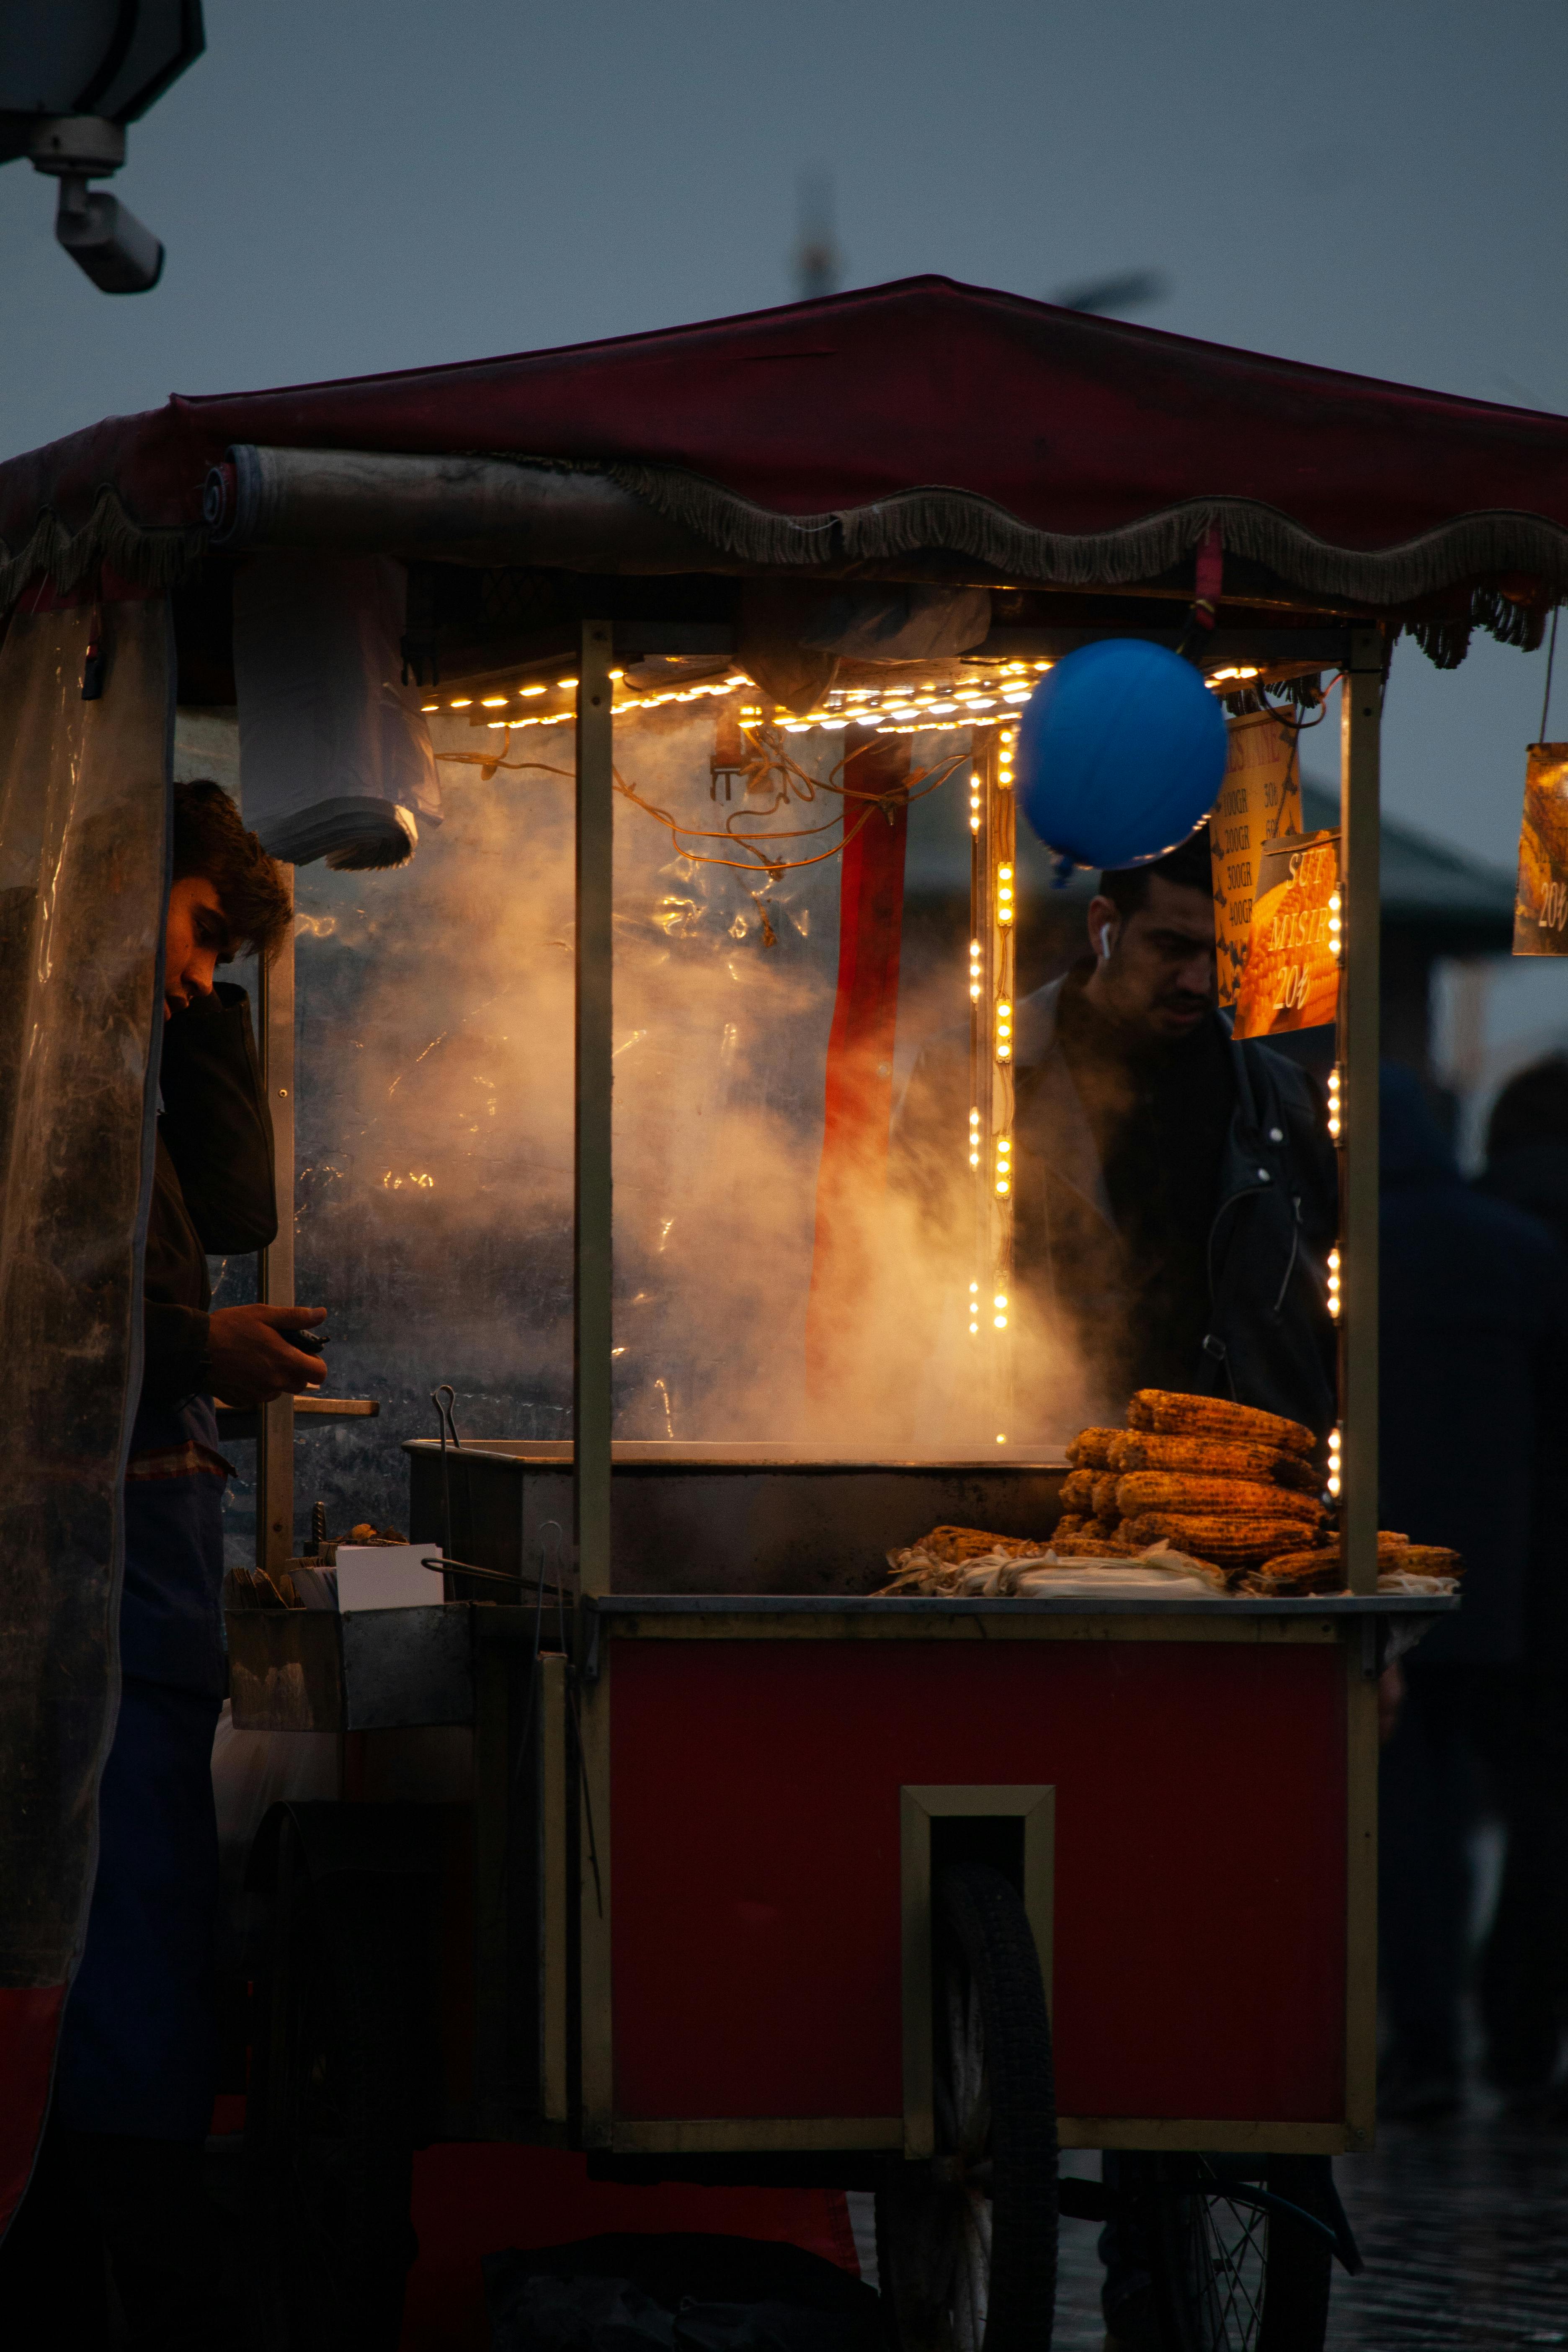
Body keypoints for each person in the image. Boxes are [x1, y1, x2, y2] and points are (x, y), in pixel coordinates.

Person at [0, 782, 328, 2342]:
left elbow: (248, 1203)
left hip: (157, 1576)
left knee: (147, 1959)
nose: (206, 969)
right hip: (89, 1578)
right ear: (129, 883)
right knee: (117, 1972)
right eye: (201, 928)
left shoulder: (133, 1056)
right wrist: (200, 1344)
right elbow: (36, 1332)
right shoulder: (36, 1068)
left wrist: (203, 996)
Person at [895, 827, 1338, 1434]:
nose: (1198, 982)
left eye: (1222, 954)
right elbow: (896, 1280)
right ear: (1104, 924)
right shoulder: (973, 1076)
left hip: (1236, 1490)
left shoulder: (1285, 1102)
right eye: (1171, 947)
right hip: (1029, 1467)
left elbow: (1322, 1319)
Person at [1377, 1063, 1568, 2118]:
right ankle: (1516, 2030)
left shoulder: (1348, 1251)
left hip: (1383, 1576)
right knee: (1520, 1807)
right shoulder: (1517, 1250)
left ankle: (1424, 2040)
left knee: (1408, 1818)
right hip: (1505, 1584)